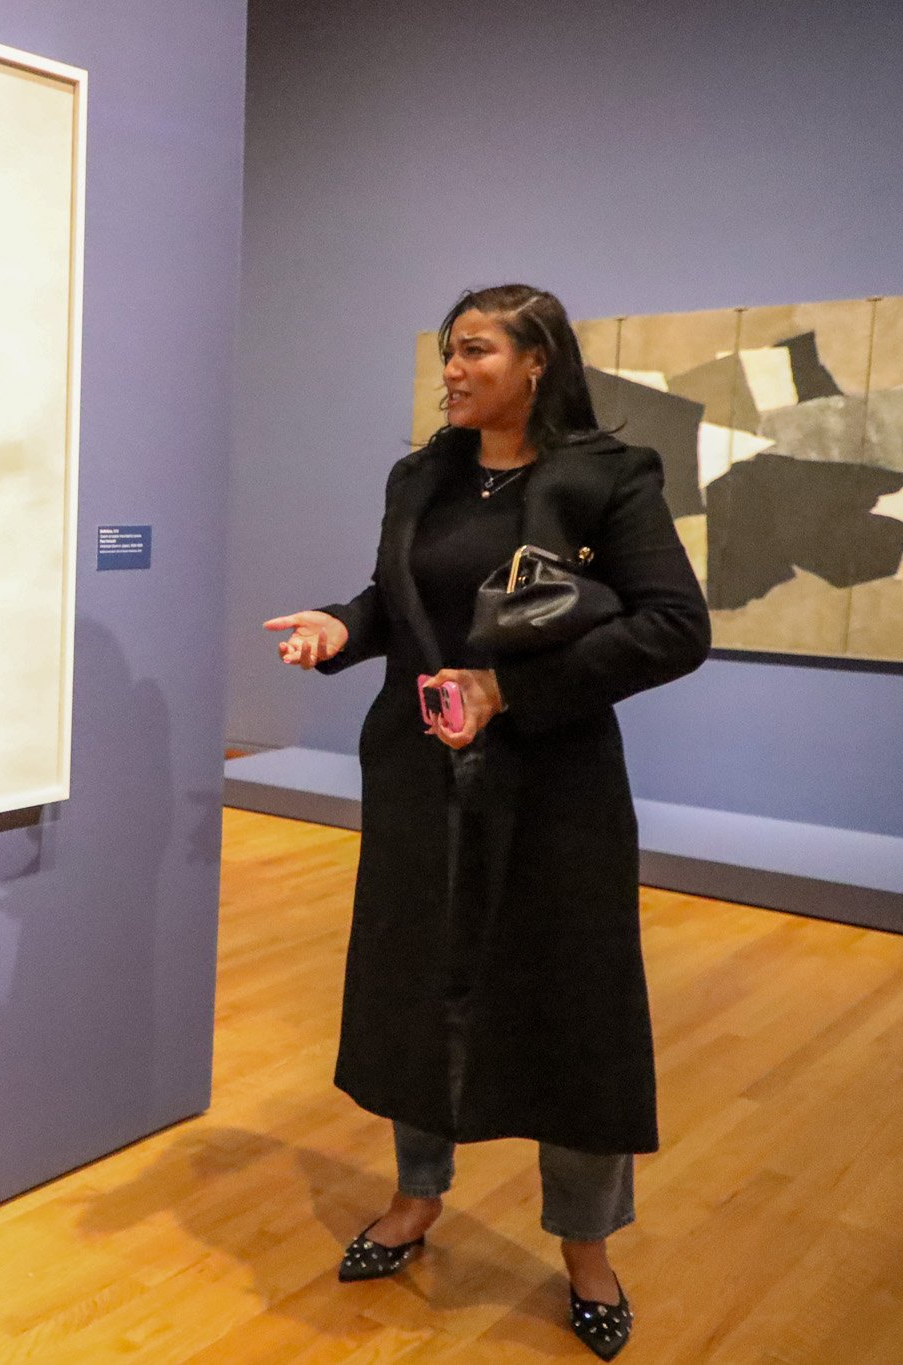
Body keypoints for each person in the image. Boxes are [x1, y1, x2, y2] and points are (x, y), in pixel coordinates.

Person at [262, 284, 710, 1360]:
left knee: (573, 1006)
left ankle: (586, 1248)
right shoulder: (421, 476)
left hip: (553, 784)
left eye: (474, 352)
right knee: (418, 983)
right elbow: (397, 599)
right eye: (446, 352)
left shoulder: (608, 476)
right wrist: (343, 624)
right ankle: (417, 1194)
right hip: (419, 776)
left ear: (536, 361)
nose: (451, 371)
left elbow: (674, 626)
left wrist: (508, 693)